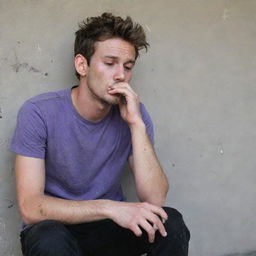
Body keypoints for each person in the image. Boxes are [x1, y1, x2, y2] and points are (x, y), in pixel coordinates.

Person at [10, 13, 190, 256]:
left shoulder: (134, 113)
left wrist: (136, 125)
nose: (120, 75)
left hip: (108, 230)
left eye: (128, 67)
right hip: (57, 228)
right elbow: (30, 207)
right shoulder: (38, 112)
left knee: (170, 222)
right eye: (110, 63)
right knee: (47, 237)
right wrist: (110, 208)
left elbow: (155, 198)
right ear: (82, 65)